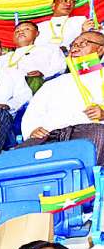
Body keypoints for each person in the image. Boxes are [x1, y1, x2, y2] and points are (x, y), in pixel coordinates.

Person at [22, 30, 104, 164]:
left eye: (83, 43)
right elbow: (33, 113)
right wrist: (33, 129)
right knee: (13, 159)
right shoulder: (52, 83)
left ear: (100, 50)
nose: (75, 48)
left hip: (90, 132)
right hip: (49, 135)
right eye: (73, 45)